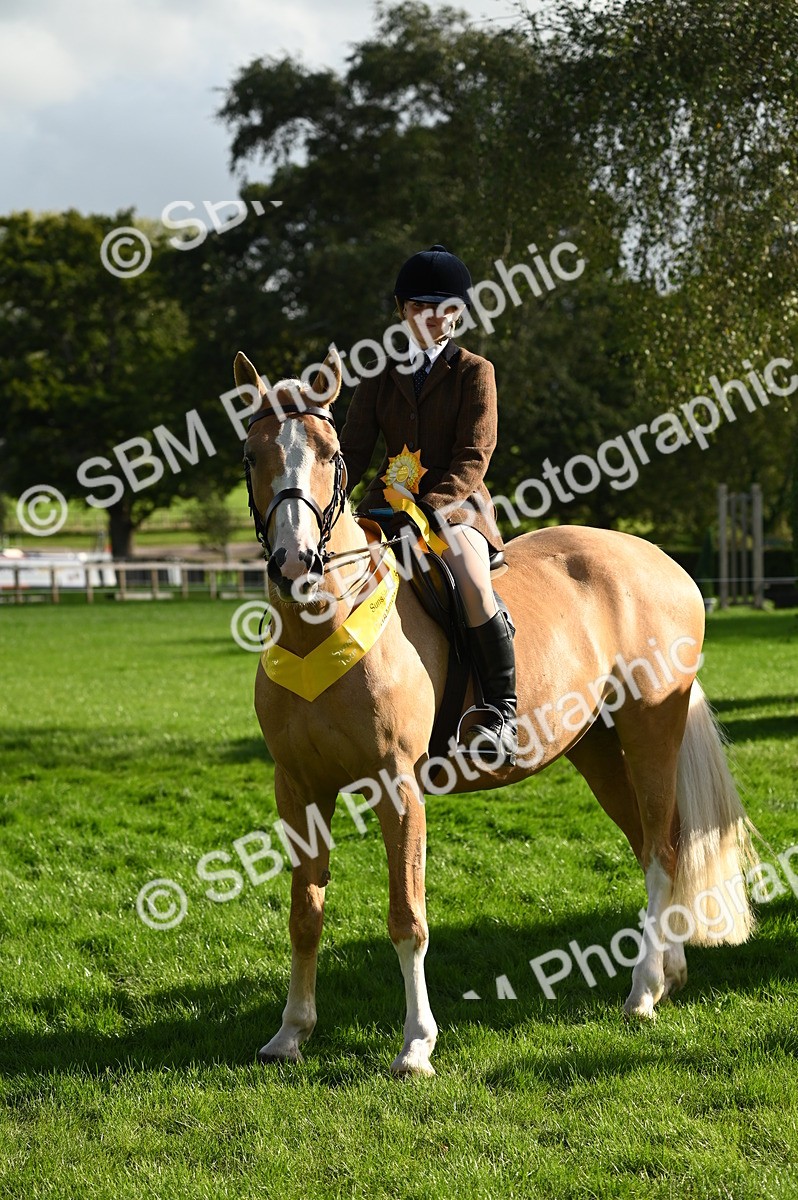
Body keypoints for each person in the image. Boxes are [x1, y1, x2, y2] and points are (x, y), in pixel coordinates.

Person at [339, 244, 518, 765]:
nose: (430, 316)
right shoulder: (377, 373)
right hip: (383, 507)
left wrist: (430, 508)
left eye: (443, 306)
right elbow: (352, 447)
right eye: (419, 305)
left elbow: (474, 454)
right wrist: (331, 504)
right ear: (402, 310)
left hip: (456, 506)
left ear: (458, 312)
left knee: (467, 571)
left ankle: (501, 711)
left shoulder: (473, 371)